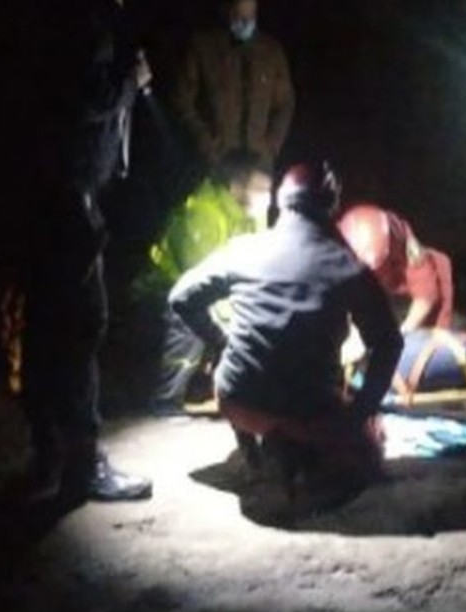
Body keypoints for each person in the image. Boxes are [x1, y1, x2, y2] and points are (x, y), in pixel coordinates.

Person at [169, 162, 403, 499]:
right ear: (331, 206)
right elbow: (389, 343)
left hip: (238, 401)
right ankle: (304, 452)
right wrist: (359, 415)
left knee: (238, 366)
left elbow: (180, 297)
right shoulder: (347, 265)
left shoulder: (244, 249)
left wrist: (221, 340)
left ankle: (257, 455)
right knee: (370, 454)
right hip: (310, 413)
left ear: (280, 201)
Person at [18, 0, 153, 503]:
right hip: (67, 199)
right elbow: (85, 99)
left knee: (46, 330)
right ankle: (82, 464)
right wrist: (131, 79)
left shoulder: (57, 20)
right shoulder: (84, 23)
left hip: (46, 196)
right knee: (78, 328)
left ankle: (48, 457)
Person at [134, 150, 273, 414]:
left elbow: (260, 268)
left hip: (214, 293)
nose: (267, 197)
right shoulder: (204, 214)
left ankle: (230, 392)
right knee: (190, 320)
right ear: (236, 187)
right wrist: (233, 324)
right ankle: (164, 401)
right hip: (163, 290)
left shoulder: (253, 214)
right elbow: (198, 283)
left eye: (268, 190)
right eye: (259, 189)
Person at [171, 0, 295, 170]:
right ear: (226, 11)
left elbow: (285, 103)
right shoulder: (203, 47)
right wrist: (206, 143)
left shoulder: (271, 52)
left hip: (258, 164)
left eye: (251, 17)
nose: (246, 23)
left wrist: (271, 146)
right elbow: (182, 101)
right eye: (239, 17)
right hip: (215, 163)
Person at [337, 204, 455, 333]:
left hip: (410, 283)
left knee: (435, 332)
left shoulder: (407, 247)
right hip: (379, 288)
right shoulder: (336, 245)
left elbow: (426, 294)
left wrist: (405, 330)